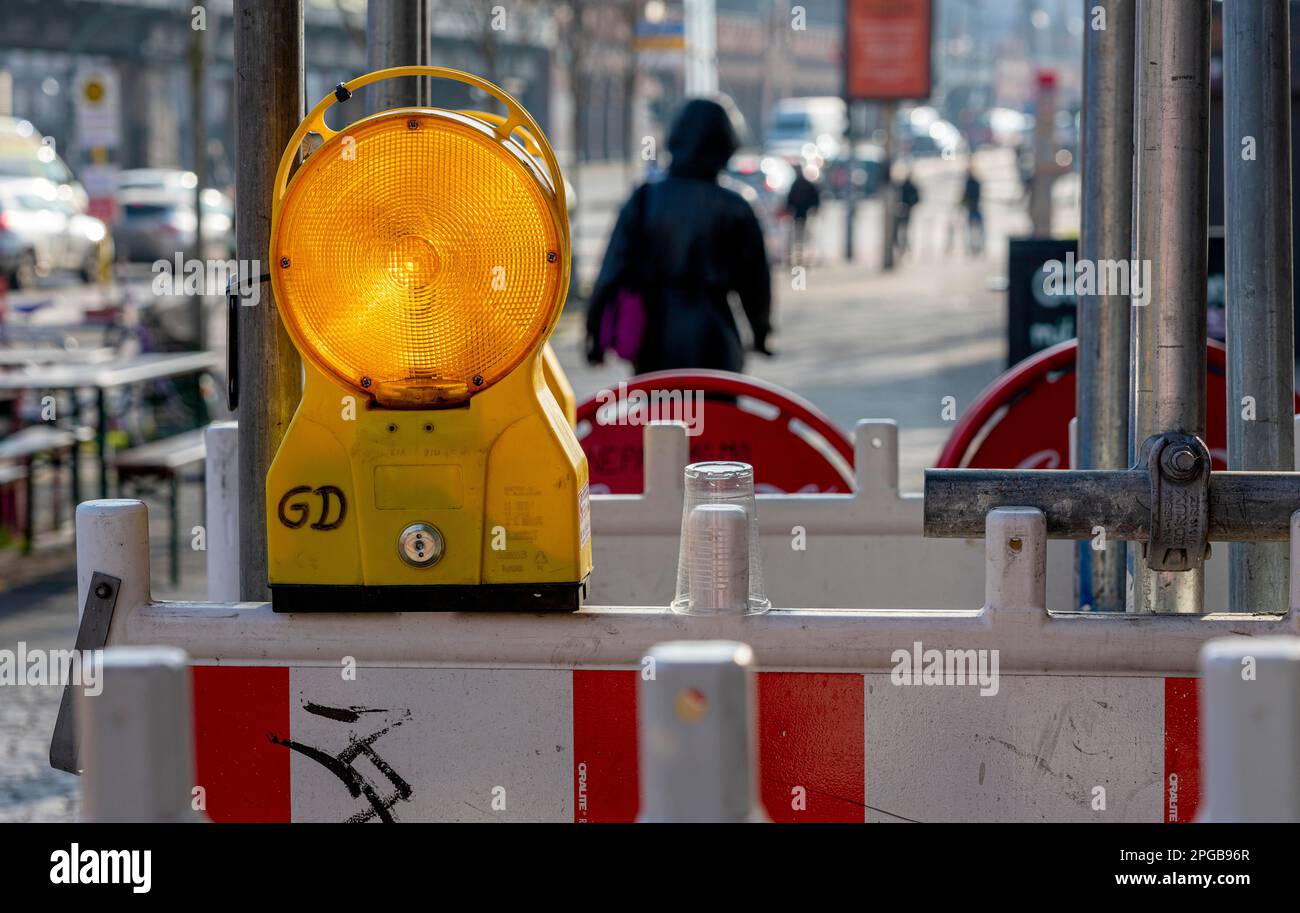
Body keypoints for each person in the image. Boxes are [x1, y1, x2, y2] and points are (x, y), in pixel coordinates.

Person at [586, 98, 773, 374]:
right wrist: (761, 334)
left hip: (654, 341)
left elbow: (612, 271)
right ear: (727, 143)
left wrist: (595, 337)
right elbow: (756, 284)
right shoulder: (737, 205)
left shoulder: (645, 199)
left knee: (659, 415)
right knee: (716, 416)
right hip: (716, 342)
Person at [784, 166, 821, 266]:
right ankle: (798, 257)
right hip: (797, 214)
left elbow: (815, 198)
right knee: (797, 237)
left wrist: (814, 208)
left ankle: (806, 257)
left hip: (805, 214)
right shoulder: (796, 185)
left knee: (805, 237)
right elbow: (790, 200)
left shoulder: (806, 185)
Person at [895, 170, 920, 258]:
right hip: (901, 209)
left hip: (907, 209)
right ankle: (901, 246)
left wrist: (909, 205)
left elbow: (917, 199)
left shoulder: (910, 187)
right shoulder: (902, 186)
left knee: (904, 230)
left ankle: (904, 246)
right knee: (900, 230)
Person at [961, 165, 984, 256]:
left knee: (977, 230)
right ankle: (973, 247)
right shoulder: (969, 183)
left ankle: (977, 246)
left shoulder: (973, 183)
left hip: (974, 209)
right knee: (971, 230)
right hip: (971, 209)